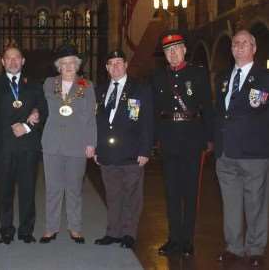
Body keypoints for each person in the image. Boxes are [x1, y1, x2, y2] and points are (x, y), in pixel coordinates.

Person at [150, 31, 213, 256]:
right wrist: (154, 140)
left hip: (192, 140)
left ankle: (187, 240)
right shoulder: (158, 77)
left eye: (176, 48)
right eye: (168, 50)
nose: (173, 53)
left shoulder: (198, 74)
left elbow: (207, 106)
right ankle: (173, 238)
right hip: (168, 141)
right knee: (171, 193)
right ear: (165, 55)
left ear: (184, 50)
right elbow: (155, 112)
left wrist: (209, 138)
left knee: (190, 192)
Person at [214, 30, 269, 268]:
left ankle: (255, 248)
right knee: (231, 202)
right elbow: (220, 112)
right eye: (235, 44)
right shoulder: (224, 77)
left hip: (253, 152)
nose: (238, 47)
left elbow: (254, 108)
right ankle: (234, 247)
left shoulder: (264, 76)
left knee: (256, 202)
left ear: (254, 48)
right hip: (226, 152)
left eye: (244, 44)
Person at [0, 46, 47, 244]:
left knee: (28, 190)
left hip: (28, 147)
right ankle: (6, 230)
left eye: (17, 58)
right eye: (8, 58)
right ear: (2, 62)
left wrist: (29, 125)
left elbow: (43, 111)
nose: (13, 62)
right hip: (4, 147)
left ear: (23, 61)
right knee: (4, 191)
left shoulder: (35, 84)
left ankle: (26, 230)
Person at [93, 50, 153, 249]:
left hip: (131, 151)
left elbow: (146, 122)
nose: (116, 67)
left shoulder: (139, 88)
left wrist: (145, 150)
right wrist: (95, 148)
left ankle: (129, 233)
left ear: (126, 65)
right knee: (113, 194)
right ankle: (113, 232)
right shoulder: (100, 90)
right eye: (111, 63)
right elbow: (95, 122)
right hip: (107, 153)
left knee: (132, 196)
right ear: (107, 68)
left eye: (119, 62)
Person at [39, 44, 96, 244]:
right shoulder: (48, 83)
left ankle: (75, 228)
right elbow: (40, 106)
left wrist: (91, 143)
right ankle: (51, 228)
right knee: (53, 188)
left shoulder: (86, 85)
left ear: (78, 65)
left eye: (72, 62)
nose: (69, 66)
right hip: (52, 143)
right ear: (59, 67)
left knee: (74, 188)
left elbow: (90, 117)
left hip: (77, 144)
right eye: (64, 63)